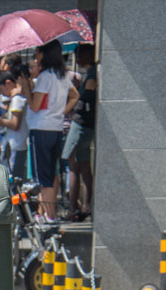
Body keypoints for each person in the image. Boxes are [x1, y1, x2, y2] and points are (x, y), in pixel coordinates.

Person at [22, 40, 76, 222]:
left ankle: (46, 215)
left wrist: (26, 91)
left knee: (42, 176)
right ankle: (48, 214)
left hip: (41, 127)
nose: (36, 56)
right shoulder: (62, 75)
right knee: (51, 173)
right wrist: (61, 111)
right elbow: (75, 95)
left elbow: (35, 105)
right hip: (56, 127)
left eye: (38, 52)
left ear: (45, 54)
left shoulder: (45, 76)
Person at [63, 43, 96, 220]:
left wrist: (74, 97)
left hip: (81, 125)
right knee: (83, 166)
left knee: (73, 165)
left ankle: (74, 208)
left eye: (79, 55)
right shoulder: (91, 73)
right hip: (86, 126)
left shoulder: (91, 75)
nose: (77, 58)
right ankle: (85, 206)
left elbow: (87, 99)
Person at [0, 73, 28, 179]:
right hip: (9, 145)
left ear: (8, 83)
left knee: (14, 181)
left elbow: (14, 124)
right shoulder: (13, 99)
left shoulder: (17, 99)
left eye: (0, 89)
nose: (1, 93)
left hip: (16, 146)